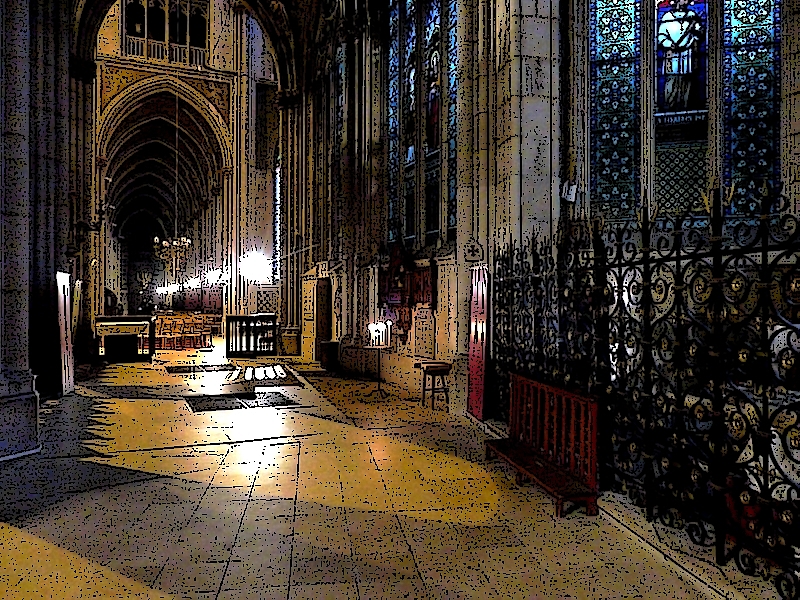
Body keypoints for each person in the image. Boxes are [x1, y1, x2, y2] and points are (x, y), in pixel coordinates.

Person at [657, 0, 703, 111]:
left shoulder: (692, 15)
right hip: (672, 54)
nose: (686, 1)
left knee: (687, 80)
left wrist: (697, 31)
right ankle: (670, 106)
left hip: (688, 53)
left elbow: (699, 33)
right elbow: (661, 36)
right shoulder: (667, 16)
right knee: (672, 79)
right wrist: (669, 44)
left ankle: (686, 105)